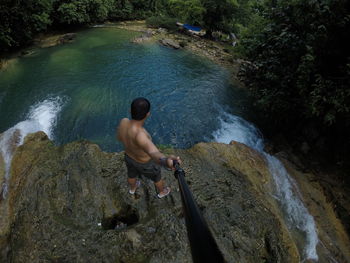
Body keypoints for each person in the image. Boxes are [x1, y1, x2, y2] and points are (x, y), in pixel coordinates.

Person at [117, 97, 181, 198]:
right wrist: (166, 161)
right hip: (145, 164)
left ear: (130, 110)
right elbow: (153, 153)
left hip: (128, 157)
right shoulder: (141, 135)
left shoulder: (123, 122)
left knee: (131, 174)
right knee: (157, 178)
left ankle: (132, 189)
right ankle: (162, 192)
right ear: (148, 114)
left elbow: (120, 137)